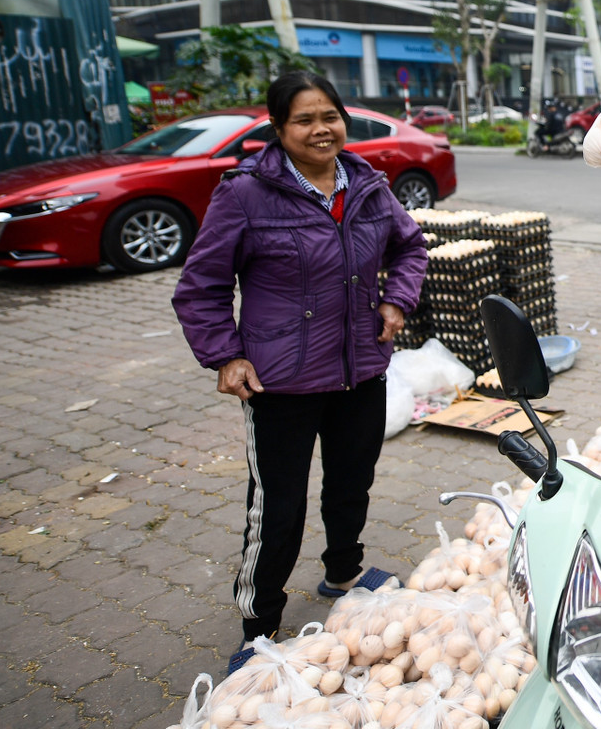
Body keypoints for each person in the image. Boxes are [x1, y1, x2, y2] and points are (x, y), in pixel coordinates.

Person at [172, 71, 429, 670]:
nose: (321, 129)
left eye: (329, 116)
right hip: (279, 379)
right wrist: (226, 354)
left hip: (359, 368)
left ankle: (343, 572)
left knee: (351, 480)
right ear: (279, 130)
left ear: (344, 120)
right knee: (277, 505)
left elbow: (409, 246)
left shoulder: (366, 184)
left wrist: (397, 300)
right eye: (304, 120)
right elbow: (200, 287)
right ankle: (259, 622)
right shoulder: (244, 195)